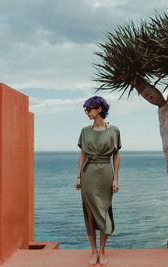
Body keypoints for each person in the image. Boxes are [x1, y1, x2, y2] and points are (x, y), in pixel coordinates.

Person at [75, 96, 121, 265]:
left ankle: (102, 250)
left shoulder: (114, 130)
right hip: (88, 174)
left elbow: (116, 155)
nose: (86, 112)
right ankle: (93, 250)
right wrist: (79, 176)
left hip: (105, 174)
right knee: (90, 214)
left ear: (99, 109)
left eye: (89, 109)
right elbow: (82, 155)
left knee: (104, 211)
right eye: (86, 109)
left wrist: (116, 179)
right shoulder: (84, 131)